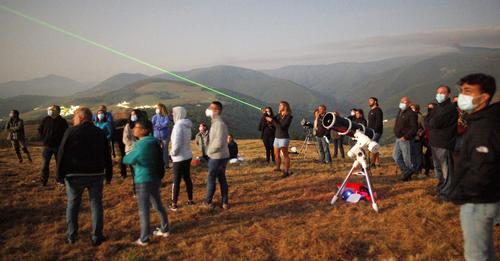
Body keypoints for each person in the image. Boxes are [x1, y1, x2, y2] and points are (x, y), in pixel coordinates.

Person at [447, 73, 499, 261]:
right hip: (481, 197)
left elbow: (482, 170)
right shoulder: (480, 121)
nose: (462, 96)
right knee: (486, 251)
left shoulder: (484, 128)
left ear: (484, 97)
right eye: (461, 91)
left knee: (476, 254)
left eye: (468, 91)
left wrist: (460, 193)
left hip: (478, 200)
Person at [56, 107, 112, 246]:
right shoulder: (99, 133)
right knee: (96, 204)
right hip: (97, 173)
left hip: (74, 174)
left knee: (73, 205)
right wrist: (109, 174)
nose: (73, 120)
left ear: (80, 117)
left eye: (74, 117)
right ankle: (97, 236)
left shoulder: (70, 131)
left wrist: (59, 175)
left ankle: (72, 235)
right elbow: (107, 154)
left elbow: (61, 153)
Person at [123, 120, 169, 246]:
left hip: (143, 179)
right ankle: (165, 229)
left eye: (136, 127)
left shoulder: (142, 144)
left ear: (144, 130)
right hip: (155, 177)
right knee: (157, 204)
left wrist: (127, 155)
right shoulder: (154, 142)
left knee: (144, 210)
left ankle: (144, 238)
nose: (134, 130)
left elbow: (128, 159)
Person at [426, 85, 458, 196]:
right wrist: (431, 121)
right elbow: (428, 120)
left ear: (448, 94)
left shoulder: (450, 108)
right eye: (438, 92)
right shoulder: (438, 107)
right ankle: (441, 187)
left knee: (446, 169)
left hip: (444, 142)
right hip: (434, 142)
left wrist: (431, 121)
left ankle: (448, 191)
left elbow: (435, 122)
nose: (439, 95)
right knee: (438, 167)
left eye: (442, 93)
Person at [205, 101, 230, 210]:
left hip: (217, 156)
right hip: (221, 156)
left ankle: (208, 201)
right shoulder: (216, 122)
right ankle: (225, 202)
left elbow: (218, 142)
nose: (208, 109)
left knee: (211, 179)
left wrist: (209, 152)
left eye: (211, 107)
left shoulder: (218, 124)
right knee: (222, 178)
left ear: (217, 111)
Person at [169, 106, 194, 211]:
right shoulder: (187, 125)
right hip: (187, 155)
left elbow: (177, 144)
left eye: (173, 113)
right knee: (187, 178)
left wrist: (172, 154)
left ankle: (174, 204)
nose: (172, 115)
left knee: (176, 181)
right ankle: (190, 200)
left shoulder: (178, 126)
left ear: (178, 114)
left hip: (179, 157)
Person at [38, 105, 68, 186]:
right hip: (47, 146)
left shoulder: (62, 121)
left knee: (59, 164)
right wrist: (43, 139)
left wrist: (63, 143)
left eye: (52, 110)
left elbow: (66, 133)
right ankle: (43, 180)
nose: (50, 111)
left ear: (57, 111)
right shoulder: (45, 120)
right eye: (50, 109)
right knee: (45, 164)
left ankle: (60, 180)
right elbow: (40, 129)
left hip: (58, 146)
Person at [393, 96, 418, 181]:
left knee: (407, 158)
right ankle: (407, 171)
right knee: (396, 157)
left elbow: (414, 128)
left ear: (409, 104)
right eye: (401, 101)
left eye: (405, 102)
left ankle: (408, 176)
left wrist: (406, 136)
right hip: (398, 138)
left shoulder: (411, 113)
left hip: (405, 139)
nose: (402, 103)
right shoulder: (400, 111)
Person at [266, 101, 293, 178]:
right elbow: (272, 122)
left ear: (285, 107)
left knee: (285, 155)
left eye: (280, 105)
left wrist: (272, 121)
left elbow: (282, 126)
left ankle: (287, 171)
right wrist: (267, 114)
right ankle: (278, 168)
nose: (279, 107)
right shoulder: (278, 115)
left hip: (284, 137)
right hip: (277, 137)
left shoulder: (289, 116)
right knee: (276, 154)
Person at [152, 103, 171, 170]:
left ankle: (166, 164)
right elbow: (152, 125)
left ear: (161, 109)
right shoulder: (154, 117)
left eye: (157, 108)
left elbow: (166, 124)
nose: (156, 109)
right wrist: (159, 126)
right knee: (156, 150)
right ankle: (157, 163)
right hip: (156, 136)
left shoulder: (166, 116)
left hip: (165, 136)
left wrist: (157, 126)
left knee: (165, 150)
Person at [367, 97, 383, 167]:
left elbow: (379, 122)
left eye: (371, 100)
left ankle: (372, 163)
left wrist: (375, 131)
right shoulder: (370, 111)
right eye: (369, 101)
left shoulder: (378, 110)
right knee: (375, 147)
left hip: (376, 132)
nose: (369, 102)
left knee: (372, 147)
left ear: (375, 102)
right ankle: (377, 162)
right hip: (371, 132)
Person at [410, 103, 425, 175]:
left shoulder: (420, 117)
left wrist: (420, 133)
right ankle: (414, 168)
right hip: (410, 138)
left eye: (412, 108)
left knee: (418, 154)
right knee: (412, 154)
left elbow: (425, 127)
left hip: (417, 138)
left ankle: (418, 169)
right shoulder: (409, 117)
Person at [422, 103, 436, 176]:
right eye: (428, 108)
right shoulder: (427, 117)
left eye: (431, 108)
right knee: (427, 156)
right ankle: (428, 170)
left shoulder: (436, 117)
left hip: (435, 139)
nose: (429, 109)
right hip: (429, 139)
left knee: (433, 156)